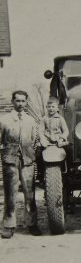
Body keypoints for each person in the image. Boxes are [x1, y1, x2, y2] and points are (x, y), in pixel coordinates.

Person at [0, 90, 41, 238]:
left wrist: (32, 153)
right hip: (10, 161)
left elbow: (36, 140)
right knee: (10, 195)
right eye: (18, 101)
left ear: (27, 102)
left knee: (29, 193)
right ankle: (9, 226)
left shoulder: (31, 120)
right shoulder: (4, 120)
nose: (21, 104)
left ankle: (32, 224)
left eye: (23, 101)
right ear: (12, 101)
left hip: (28, 161)